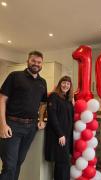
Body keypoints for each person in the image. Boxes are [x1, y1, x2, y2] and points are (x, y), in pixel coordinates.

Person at [0, 51, 47, 180]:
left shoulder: (42, 82)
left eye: (39, 62)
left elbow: (43, 103)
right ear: (28, 61)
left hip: (31, 127)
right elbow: (2, 100)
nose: (36, 64)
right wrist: (3, 125)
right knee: (9, 165)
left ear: (42, 64)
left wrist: (41, 119)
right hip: (12, 125)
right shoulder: (15, 76)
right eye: (33, 61)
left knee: (18, 162)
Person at [45, 75, 74, 180]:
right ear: (59, 84)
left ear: (70, 86)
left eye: (68, 84)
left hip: (67, 135)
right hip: (59, 135)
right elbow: (52, 117)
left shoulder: (68, 99)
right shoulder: (54, 96)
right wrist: (60, 134)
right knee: (62, 163)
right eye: (63, 83)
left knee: (65, 163)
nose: (65, 85)